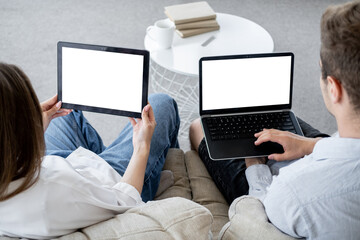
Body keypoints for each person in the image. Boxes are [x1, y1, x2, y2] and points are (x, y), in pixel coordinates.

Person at [190, 1, 360, 239]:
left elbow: (260, 217)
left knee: (198, 127)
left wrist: (256, 166)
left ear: (334, 88)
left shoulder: (293, 194)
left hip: (273, 196)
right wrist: (310, 145)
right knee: (280, 122)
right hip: (330, 156)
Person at [0, 63, 180, 239]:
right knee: (160, 103)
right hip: (112, 183)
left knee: (65, 114)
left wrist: (35, 128)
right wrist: (142, 147)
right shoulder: (57, 188)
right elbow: (125, 201)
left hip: (48, 165)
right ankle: (160, 172)